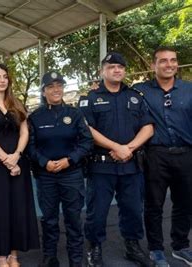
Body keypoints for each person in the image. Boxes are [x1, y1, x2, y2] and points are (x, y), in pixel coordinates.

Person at [79, 52, 154, 267]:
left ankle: (132, 247)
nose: (117, 70)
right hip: (101, 166)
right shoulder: (89, 99)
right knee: (98, 211)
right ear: (102, 71)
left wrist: (127, 149)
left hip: (130, 164)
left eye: (120, 66)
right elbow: (87, 129)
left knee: (132, 209)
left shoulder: (135, 96)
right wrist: (115, 147)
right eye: (111, 66)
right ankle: (94, 248)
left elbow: (148, 128)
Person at [133, 46, 192, 266]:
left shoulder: (189, 90)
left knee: (185, 203)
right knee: (154, 204)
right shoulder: (139, 91)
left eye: (173, 60)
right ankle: (156, 249)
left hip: (187, 154)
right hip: (155, 156)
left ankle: (181, 246)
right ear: (153, 65)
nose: (169, 65)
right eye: (164, 61)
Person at [0, 63, 40, 267]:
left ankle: (14, 255)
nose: (2, 80)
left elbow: (25, 132)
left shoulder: (17, 104)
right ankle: (1, 257)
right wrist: (7, 159)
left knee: (16, 208)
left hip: (18, 164)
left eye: (5, 76)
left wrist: (17, 156)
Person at [29, 71, 93, 267]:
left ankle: (75, 259)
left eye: (59, 86)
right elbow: (30, 146)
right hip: (46, 176)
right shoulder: (35, 117)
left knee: (73, 218)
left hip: (71, 174)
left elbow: (87, 141)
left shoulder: (74, 114)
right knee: (49, 219)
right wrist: (44, 162)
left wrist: (69, 160)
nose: (56, 90)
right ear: (44, 91)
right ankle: (50, 256)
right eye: (51, 87)